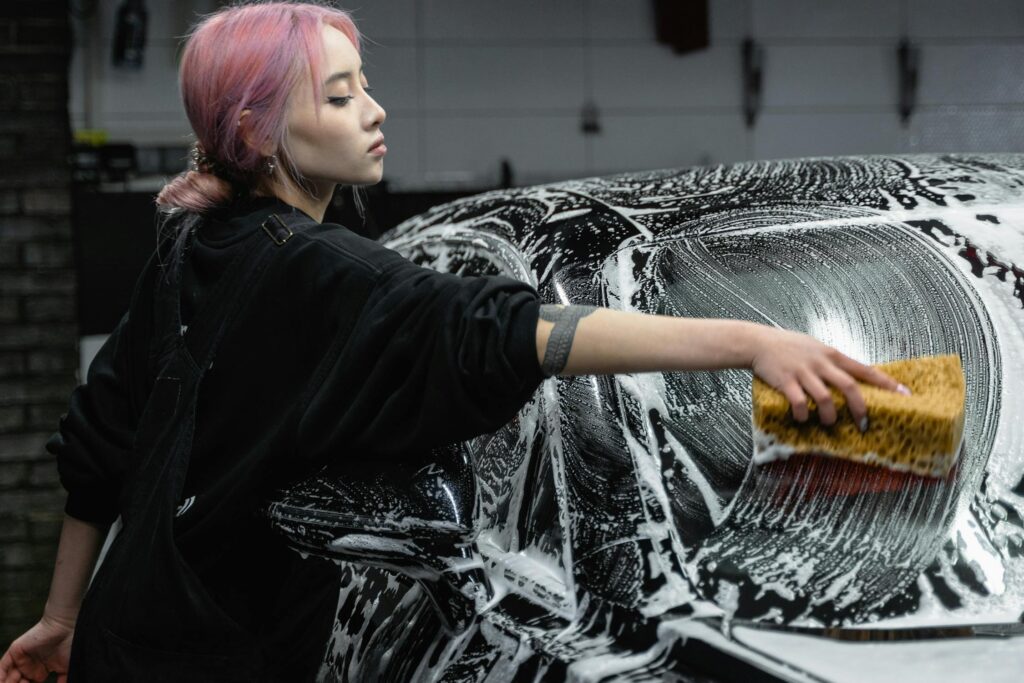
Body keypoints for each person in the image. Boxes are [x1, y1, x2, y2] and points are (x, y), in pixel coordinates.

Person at [0, 1, 911, 681]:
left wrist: (61, 617)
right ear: (256, 129)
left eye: (367, 86)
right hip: (216, 655)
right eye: (343, 93)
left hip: (126, 629)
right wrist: (750, 342)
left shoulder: (195, 241)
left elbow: (100, 439)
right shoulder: (320, 270)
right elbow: (513, 330)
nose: (375, 111)